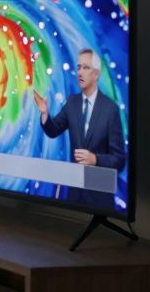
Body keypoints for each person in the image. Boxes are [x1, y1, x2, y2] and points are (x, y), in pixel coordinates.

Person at [31, 48, 126, 209]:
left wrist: (95, 159)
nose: (80, 73)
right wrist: (45, 113)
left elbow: (119, 160)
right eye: (78, 67)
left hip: (100, 198)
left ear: (96, 74)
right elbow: (53, 130)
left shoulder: (110, 109)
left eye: (86, 68)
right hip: (75, 195)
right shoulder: (71, 104)